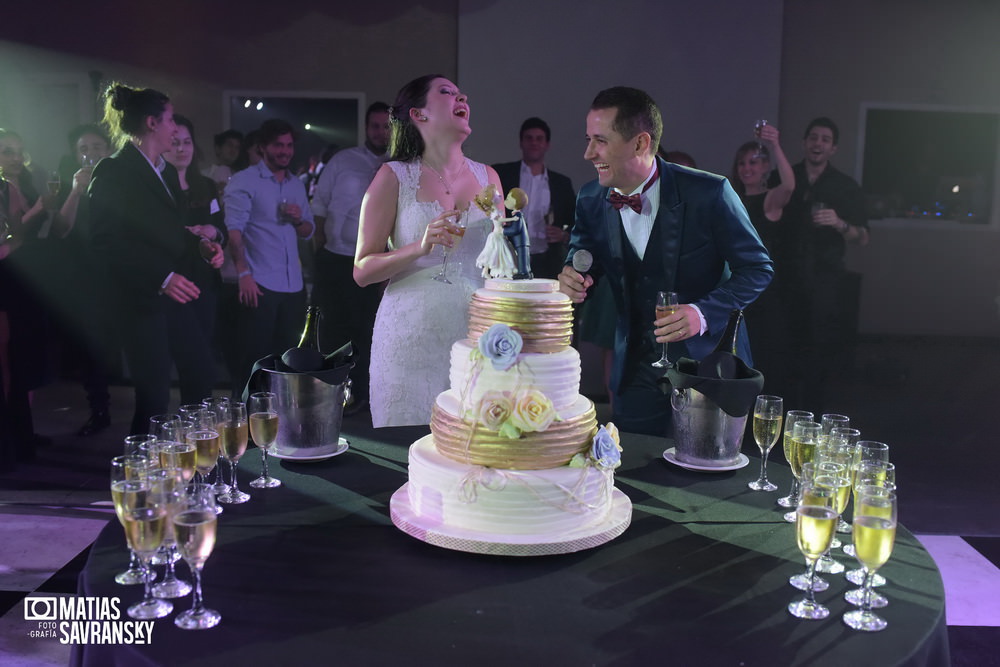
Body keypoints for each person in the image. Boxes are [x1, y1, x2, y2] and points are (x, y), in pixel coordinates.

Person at [559, 86, 773, 436]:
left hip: (706, 367)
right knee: (633, 478)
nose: (588, 153)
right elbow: (585, 258)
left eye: (600, 140)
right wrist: (573, 275)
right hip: (635, 370)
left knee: (701, 483)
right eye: (588, 139)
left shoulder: (710, 193)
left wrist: (702, 313)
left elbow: (758, 269)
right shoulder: (589, 198)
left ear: (640, 143)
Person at [355, 74, 501, 427]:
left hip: (477, 335)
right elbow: (362, 270)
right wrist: (419, 247)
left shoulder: (489, 178)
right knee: (409, 454)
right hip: (410, 337)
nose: (461, 96)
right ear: (419, 115)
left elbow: (499, 265)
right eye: (447, 92)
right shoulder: (393, 176)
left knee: (476, 453)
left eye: (461, 92)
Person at [88, 83, 225, 434]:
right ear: (151, 123)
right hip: (140, 296)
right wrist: (161, 277)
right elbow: (106, 242)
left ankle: (195, 457)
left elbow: (167, 229)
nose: (175, 129)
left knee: (199, 370)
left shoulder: (161, 170)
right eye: (168, 121)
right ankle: (145, 476)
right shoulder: (114, 171)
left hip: (170, 294)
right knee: (153, 394)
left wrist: (200, 246)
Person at [776, 117, 869, 411]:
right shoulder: (785, 176)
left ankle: (814, 418)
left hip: (825, 278)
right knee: (784, 347)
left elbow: (863, 236)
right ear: (804, 143)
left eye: (825, 139)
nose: (818, 143)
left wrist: (840, 223)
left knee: (820, 348)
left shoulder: (845, 186)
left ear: (834, 148)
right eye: (813, 137)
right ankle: (783, 414)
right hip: (786, 276)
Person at [310, 102, 391, 416]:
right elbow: (319, 206)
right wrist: (318, 249)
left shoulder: (400, 166)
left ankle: (364, 397)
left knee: (368, 331)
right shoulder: (343, 160)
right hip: (335, 258)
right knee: (332, 331)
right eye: (375, 126)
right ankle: (332, 396)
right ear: (366, 128)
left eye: (386, 126)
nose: (380, 132)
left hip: (374, 263)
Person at [224, 118, 314, 394]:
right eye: (278, 145)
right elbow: (234, 232)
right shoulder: (244, 181)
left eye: (288, 145)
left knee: (286, 359)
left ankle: (280, 421)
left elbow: (309, 231)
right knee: (252, 360)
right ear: (262, 147)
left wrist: (298, 221)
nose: (285, 151)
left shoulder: (296, 184)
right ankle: (245, 421)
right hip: (259, 283)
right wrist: (243, 274)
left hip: (293, 286)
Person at [50, 124, 116, 437]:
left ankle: (150, 414)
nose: (90, 154)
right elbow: (61, 229)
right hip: (85, 278)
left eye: (96, 147)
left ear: (108, 151)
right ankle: (99, 409)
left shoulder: (120, 182)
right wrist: (76, 191)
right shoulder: (67, 185)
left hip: (120, 275)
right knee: (92, 346)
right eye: (83, 149)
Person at [729, 124, 794, 395]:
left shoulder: (770, 200)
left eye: (754, 162)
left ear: (766, 167)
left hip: (765, 292)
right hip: (736, 288)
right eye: (743, 163)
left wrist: (775, 144)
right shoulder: (731, 198)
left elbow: (789, 186)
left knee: (765, 355)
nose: (747, 168)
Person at [165, 114, 227, 363]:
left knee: (202, 354)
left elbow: (219, 226)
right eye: (175, 142)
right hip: (171, 278)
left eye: (187, 142)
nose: (182, 149)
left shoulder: (206, 185)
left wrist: (214, 234)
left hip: (204, 280)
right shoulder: (158, 187)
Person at [492, 118, 575, 279]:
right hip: (508, 257)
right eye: (529, 138)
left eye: (539, 138)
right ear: (521, 142)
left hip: (548, 260)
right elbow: (487, 206)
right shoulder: (501, 174)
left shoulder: (561, 183)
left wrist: (564, 235)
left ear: (547, 144)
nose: (534, 142)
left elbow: (575, 220)